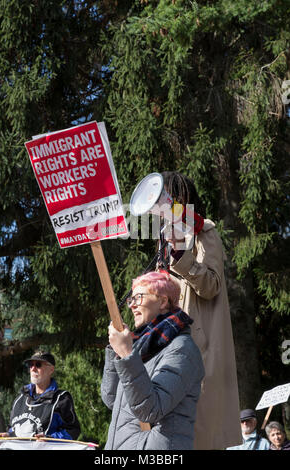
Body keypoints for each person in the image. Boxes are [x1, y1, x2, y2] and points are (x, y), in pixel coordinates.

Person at [160, 170, 242, 449]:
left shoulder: (205, 231)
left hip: (200, 351)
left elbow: (211, 286)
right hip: (170, 351)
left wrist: (182, 258)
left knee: (200, 434)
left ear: (181, 199)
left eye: (166, 197)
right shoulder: (164, 239)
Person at [101, 271, 204, 450]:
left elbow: (150, 410)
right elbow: (111, 399)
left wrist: (126, 354)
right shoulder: (141, 347)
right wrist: (116, 351)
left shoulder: (182, 349)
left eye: (139, 297)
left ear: (163, 302)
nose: (132, 305)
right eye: (131, 300)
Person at [0, 351, 80, 440]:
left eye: (38, 365)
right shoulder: (20, 399)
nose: (33, 368)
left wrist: (50, 439)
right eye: (31, 365)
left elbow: (73, 430)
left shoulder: (61, 399)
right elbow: (13, 428)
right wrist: (9, 435)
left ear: (51, 370)